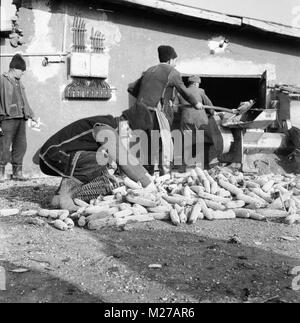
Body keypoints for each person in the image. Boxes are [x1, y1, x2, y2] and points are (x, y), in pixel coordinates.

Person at [38, 106, 156, 211]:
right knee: (102, 159)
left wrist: (146, 175)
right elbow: (123, 158)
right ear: (124, 123)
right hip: (52, 156)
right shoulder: (106, 128)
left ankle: (66, 195)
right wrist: (147, 183)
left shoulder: (110, 125)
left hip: (55, 156)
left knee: (106, 162)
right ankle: (62, 196)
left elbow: (126, 155)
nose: (130, 136)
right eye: (131, 131)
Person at [128, 45, 204, 175]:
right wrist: (196, 103)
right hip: (155, 112)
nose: (175, 64)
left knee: (148, 144)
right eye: (175, 60)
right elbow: (184, 92)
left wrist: (147, 97)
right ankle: (165, 176)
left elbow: (131, 88)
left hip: (140, 111)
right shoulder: (172, 72)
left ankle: (148, 175)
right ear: (170, 60)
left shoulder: (149, 70)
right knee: (165, 143)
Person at [0, 54, 37, 182]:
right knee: (3, 147)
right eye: (22, 70)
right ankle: (1, 173)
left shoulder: (19, 83)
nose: (23, 73)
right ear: (15, 68)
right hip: (7, 119)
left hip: (21, 118)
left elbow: (24, 101)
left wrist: (32, 115)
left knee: (21, 146)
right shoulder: (2, 80)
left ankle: (17, 172)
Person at [176, 75, 215, 169]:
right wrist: (212, 113)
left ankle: (188, 165)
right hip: (200, 120)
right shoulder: (200, 91)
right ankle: (201, 165)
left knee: (188, 142)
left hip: (186, 119)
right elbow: (209, 104)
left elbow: (175, 109)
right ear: (196, 83)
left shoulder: (180, 92)